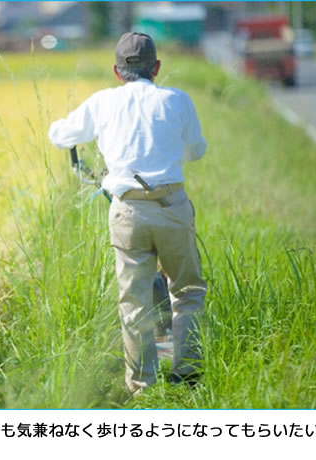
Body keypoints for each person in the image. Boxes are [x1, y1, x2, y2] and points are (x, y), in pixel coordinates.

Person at [47, 32, 207, 395]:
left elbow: (60, 135)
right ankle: (188, 374)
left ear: (117, 72)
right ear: (157, 68)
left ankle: (142, 387)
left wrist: (63, 128)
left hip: (126, 211)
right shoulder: (177, 100)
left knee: (134, 303)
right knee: (188, 291)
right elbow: (196, 150)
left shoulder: (102, 102)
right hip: (171, 206)